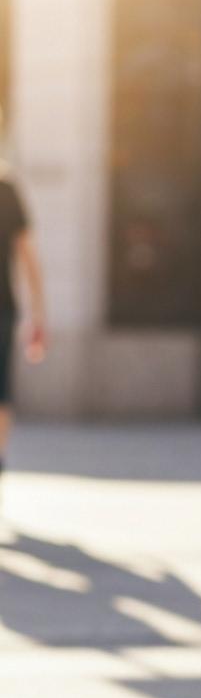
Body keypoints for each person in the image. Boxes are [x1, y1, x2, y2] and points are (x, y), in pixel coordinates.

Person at [0, 159, 47, 496]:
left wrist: (39, 314)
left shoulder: (8, 191)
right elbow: (28, 256)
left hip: (2, 309)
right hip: (3, 308)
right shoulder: (8, 191)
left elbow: (27, 255)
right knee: (1, 390)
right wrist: (39, 313)